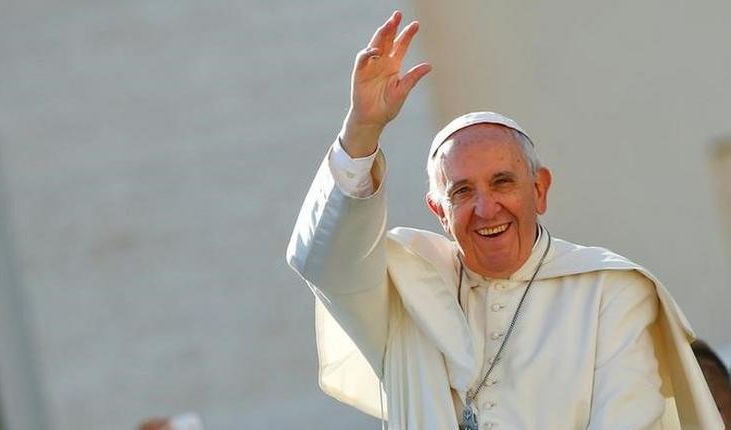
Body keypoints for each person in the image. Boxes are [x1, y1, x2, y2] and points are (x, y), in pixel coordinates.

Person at [286, 10, 723, 430]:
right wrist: (361, 129)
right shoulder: (403, 293)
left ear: (539, 190)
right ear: (438, 211)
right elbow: (327, 260)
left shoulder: (612, 293)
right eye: (461, 192)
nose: (486, 208)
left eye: (502, 183)